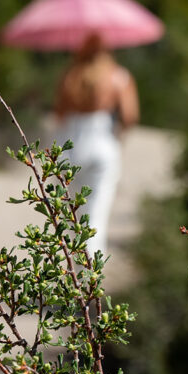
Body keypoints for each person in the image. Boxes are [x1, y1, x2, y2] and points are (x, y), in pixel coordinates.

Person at [52, 32, 139, 258]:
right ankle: (90, 281)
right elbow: (130, 116)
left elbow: (59, 113)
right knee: (95, 216)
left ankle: (68, 274)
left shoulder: (70, 75)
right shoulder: (118, 76)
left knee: (69, 215)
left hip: (68, 145)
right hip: (101, 142)